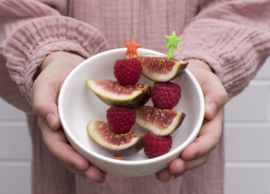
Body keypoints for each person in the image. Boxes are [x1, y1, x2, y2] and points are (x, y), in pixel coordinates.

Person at [0, 0, 269, 193]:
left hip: (186, 150)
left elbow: (245, 9)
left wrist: (205, 61)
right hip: (73, 153)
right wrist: (51, 53)